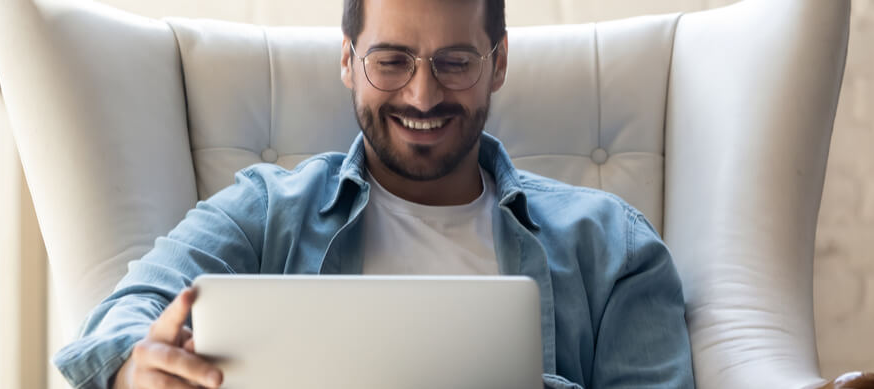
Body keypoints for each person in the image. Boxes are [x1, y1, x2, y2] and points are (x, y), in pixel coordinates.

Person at [53, 0, 696, 388]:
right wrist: (135, 368)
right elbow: (128, 308)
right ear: (347, 60)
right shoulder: (266, 211)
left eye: (455, 62)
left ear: (497, 63)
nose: (422, 96)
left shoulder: (614, 247)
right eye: (390, 62)